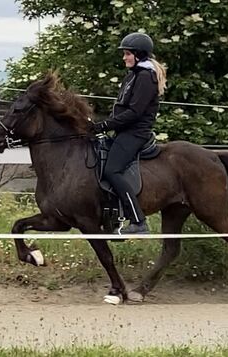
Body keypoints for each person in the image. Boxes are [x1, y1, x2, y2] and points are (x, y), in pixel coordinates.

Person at [92, 32, 167, 234]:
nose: (124, 58)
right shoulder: (133, 75)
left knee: (111, 170)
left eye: (127, 54)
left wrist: (104, 126)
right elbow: (121, 108)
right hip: (123, 131)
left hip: (135, 133)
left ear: (139, 55)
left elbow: (134, 113)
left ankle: (138, 221)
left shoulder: (145, 77)